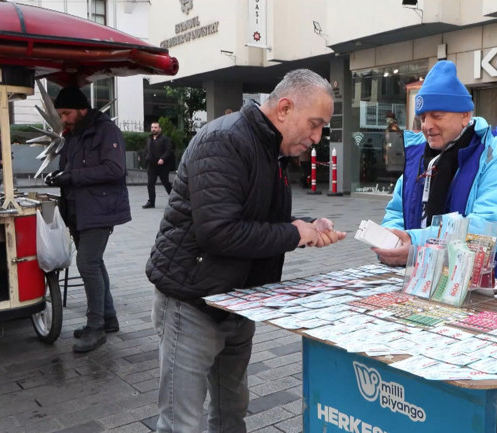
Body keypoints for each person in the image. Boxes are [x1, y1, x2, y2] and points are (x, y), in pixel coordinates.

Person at [145, 69, 346, 433]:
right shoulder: (225, 140)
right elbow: (219, 233)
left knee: (231, 410)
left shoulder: (270, 147)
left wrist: (306, 227)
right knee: (181, 423)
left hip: (237, 301)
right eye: (314, 125)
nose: (316, 138)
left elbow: (256, 218)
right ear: (284, 108)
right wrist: (292, 233)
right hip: (193, 302)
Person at [374, 61, 497, 284]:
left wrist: (415, 244)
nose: (427, 126)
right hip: (434, 282)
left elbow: (485, 233)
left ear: (465, 115)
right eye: (422, 118)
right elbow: (398, 210)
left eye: (437, 115)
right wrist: (391, 238)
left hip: (496, 288)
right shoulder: (419, 159)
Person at [44, 86, 131, 353]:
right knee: (94, 261)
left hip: (100, 208)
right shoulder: (73, 133)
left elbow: (115, 169)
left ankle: (96, 328)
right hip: (79, 209)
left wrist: (73, 177)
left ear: (83, 109)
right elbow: (71, 168)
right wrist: (59, 176)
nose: (64, 119)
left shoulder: (106, 130)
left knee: (87, 263)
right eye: (61, 114)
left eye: (67, 113)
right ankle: (109, 318)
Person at [142, 122, 173, 209]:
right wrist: (144, 157)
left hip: (162, 166)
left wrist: (163, 158)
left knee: (166, 183)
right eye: (152, 127)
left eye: (155, 127)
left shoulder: (165, 139)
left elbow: (168, 150)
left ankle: (175, 199)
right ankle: (151, 202)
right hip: (151, 165)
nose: (153, 129)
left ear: (160, 129)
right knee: (150, 184)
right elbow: (146, 150)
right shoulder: (149, 139)